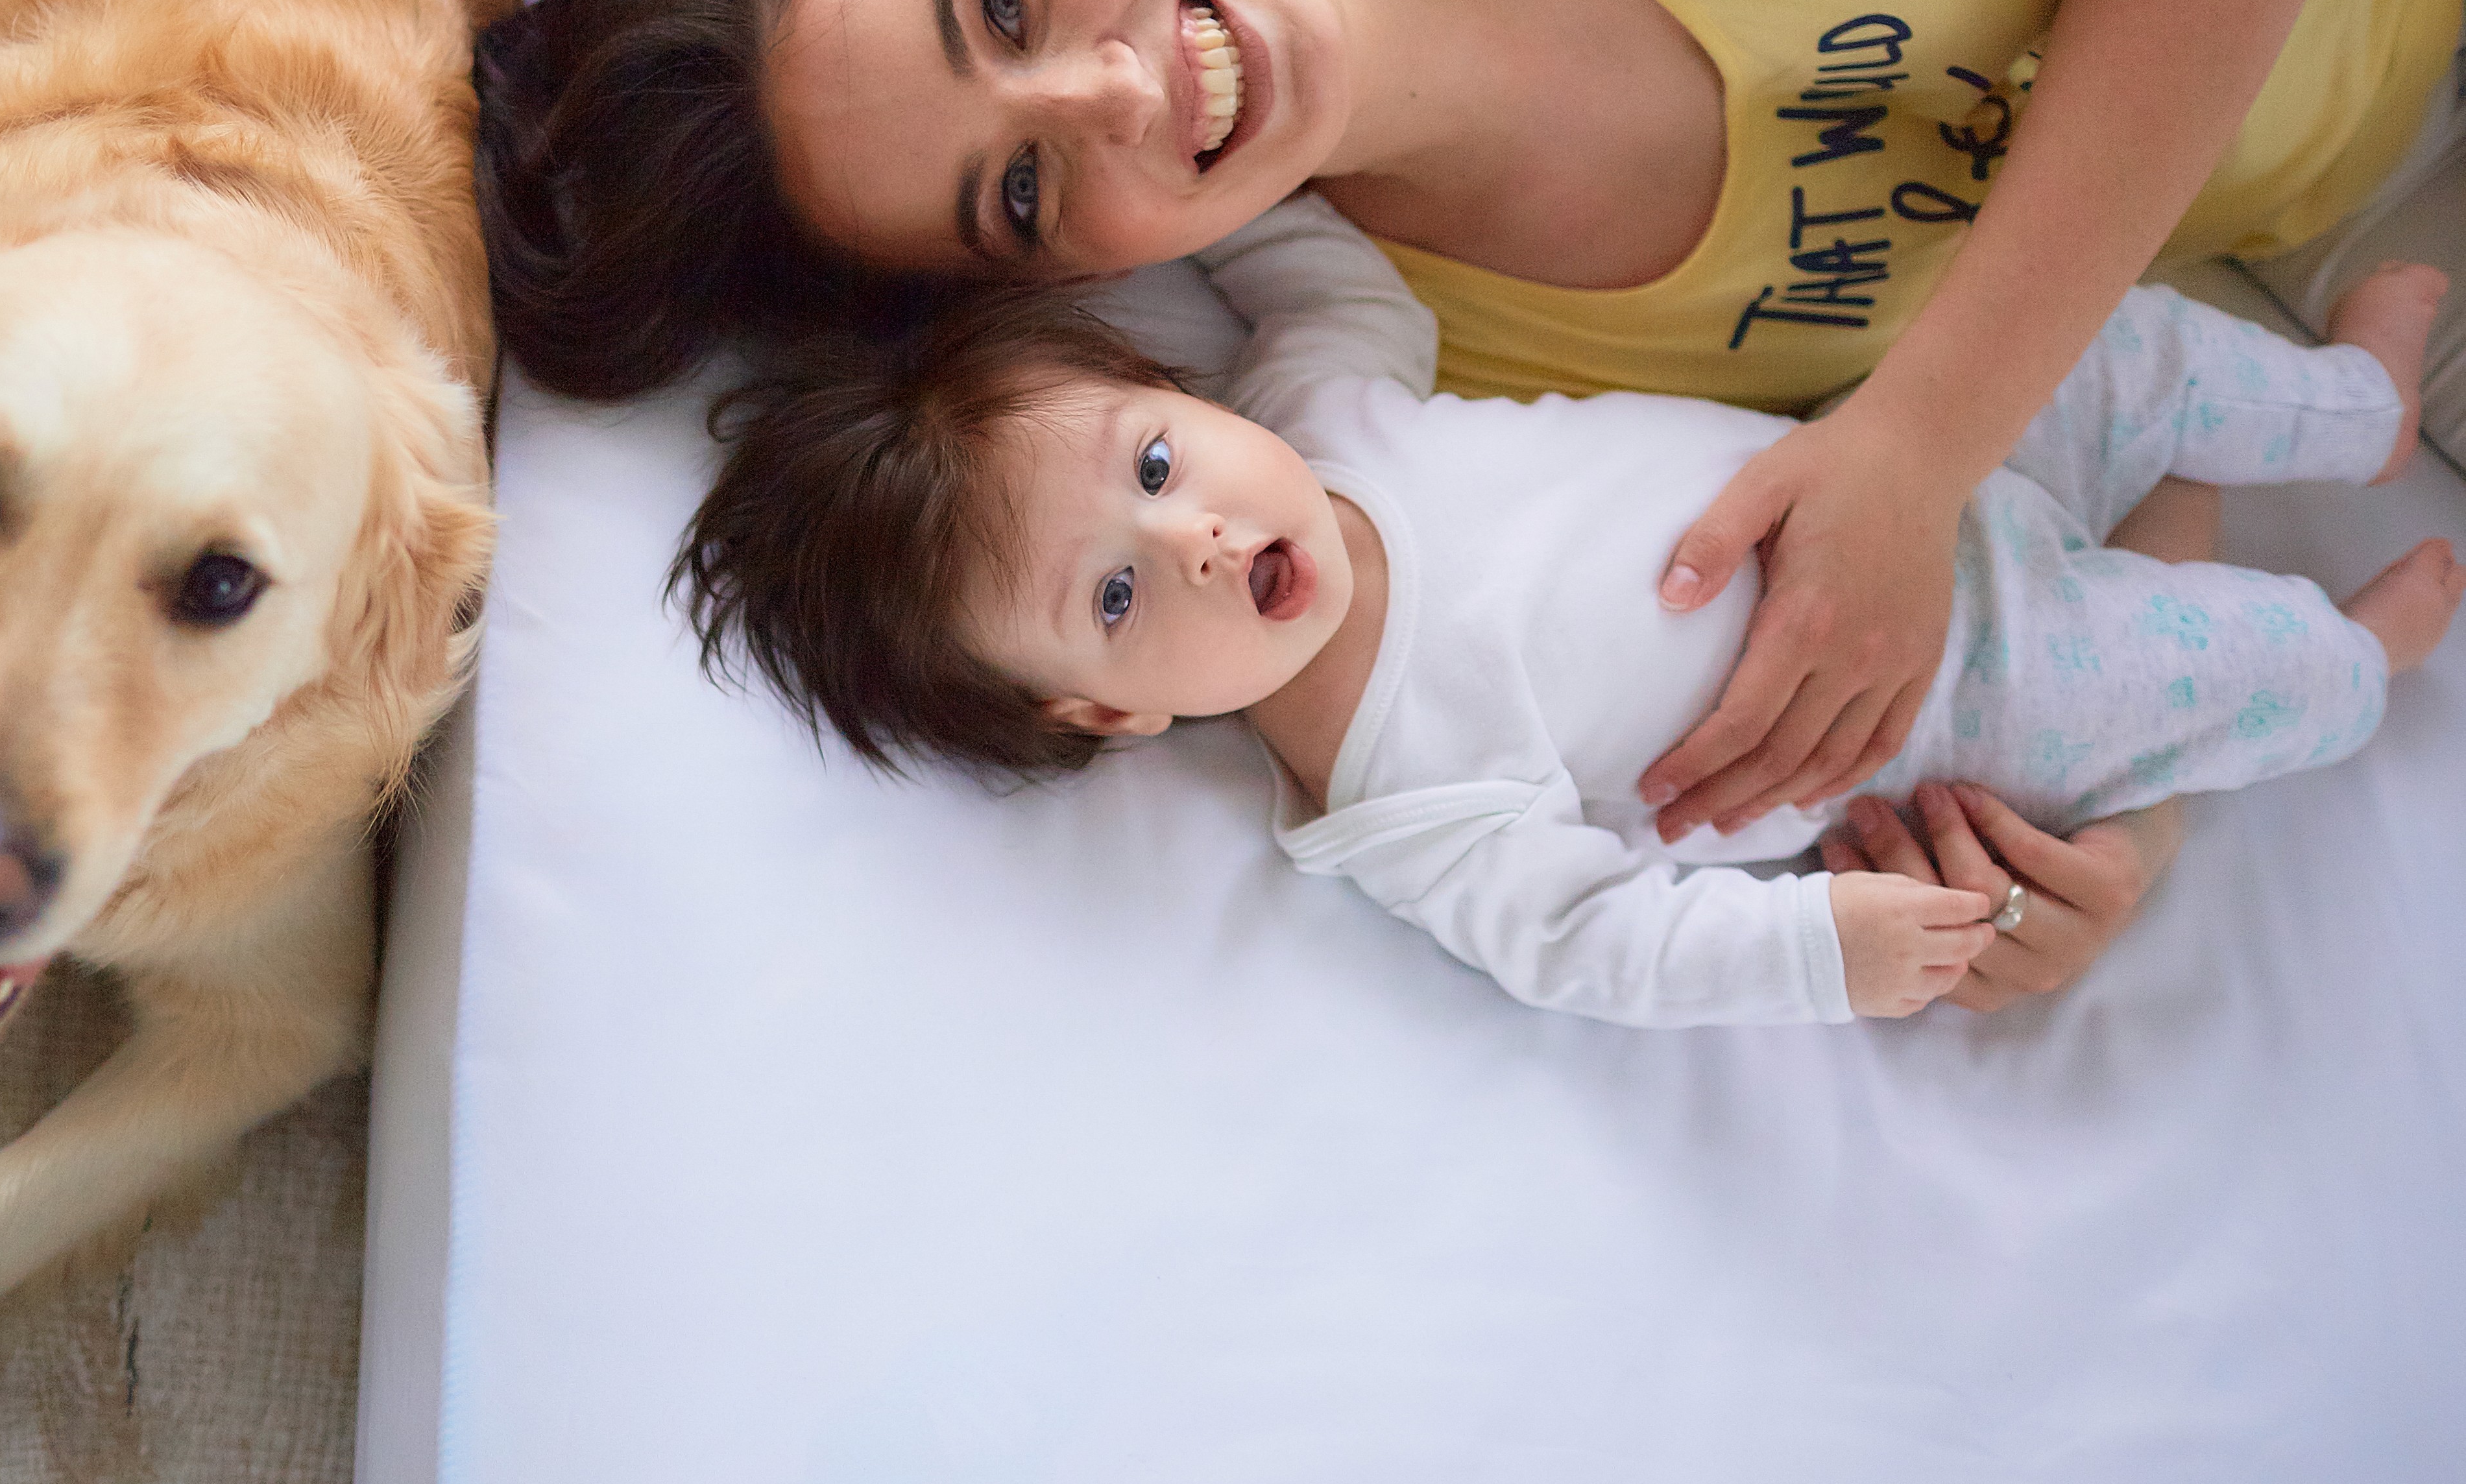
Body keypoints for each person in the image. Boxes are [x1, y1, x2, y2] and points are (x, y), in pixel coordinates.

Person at [479, 0, 2466, 945]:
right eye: (1014, 194)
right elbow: (2047, 476)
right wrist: (2110, 833)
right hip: (2354, 211)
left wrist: (1912, 446)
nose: (1100, 95)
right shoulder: (1464, 395)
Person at [670, 197, 2459, 1025]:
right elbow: (1600, 944)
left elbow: (1302, 247)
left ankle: (2350, 409)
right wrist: (1808, 956)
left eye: (1155, 463)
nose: (1205, 535)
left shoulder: (1322, 417)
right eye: (1122, 595)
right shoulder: (1396, 801)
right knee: (2204, 666)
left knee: (2119, 341)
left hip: (1901, 468)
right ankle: (2353, 655)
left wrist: (1160, 201)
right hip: (1963, 684)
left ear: (1178, 397)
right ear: (1108, 715)